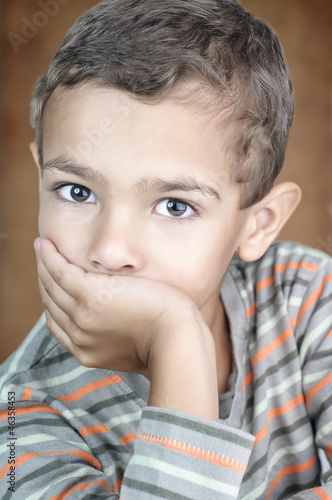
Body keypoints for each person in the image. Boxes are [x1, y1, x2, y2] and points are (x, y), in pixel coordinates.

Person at [1, 0, 331, 497]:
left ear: (257, 224)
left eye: (175, 206)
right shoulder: (19, 415)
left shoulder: (307, 300)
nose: (110, 251)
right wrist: (177, 341)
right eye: (77, 191)